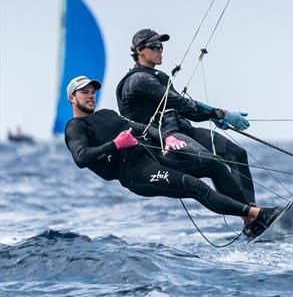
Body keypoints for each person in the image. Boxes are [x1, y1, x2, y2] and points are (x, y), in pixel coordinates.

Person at [64, 75, 277, 239]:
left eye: (92, 91)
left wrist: (166, 138)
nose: (91, 95)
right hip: (135, 174)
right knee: (194, 186)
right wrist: (115, 145)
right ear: (72, 98)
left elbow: (139, 127)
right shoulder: (75, 127)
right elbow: (81, 157)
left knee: (213, 165)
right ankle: (257, 215)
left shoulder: (107, 114)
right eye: (84, 92)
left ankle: (250, 221)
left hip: (152, 158)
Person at [116, 29, 256, 204]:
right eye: (155, 47)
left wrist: (214, 117)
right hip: (161, 140)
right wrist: (222, 113)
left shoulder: (158, 76)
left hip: (182, 129)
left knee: (237, 154)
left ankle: (253, 213)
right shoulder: (138, 80)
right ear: (139, 51)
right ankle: (251, 217)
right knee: (214, 163)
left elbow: (185, 110)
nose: (161, 50)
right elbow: (181, 103)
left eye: (161, 47)